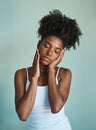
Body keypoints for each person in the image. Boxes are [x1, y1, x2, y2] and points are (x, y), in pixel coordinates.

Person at [14, 9, 82, 130]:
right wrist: (34, 78)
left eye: (56, 51)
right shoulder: (21, 74)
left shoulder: (64, 74)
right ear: (38, 45)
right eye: (46, 45)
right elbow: (23, 115)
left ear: (61, 55)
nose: (50, 53)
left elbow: (56, 107)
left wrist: (51, 70)